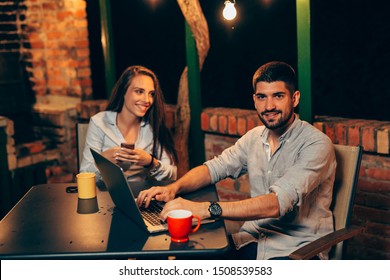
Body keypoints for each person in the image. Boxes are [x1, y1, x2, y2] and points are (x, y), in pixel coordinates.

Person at [137, 61, 336, 260]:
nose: (269, 106)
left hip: (297, 250)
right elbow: (213, 169)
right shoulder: (254, 137)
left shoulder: (316, 144)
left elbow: (276, 204)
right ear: (254, 100)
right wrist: (174, 188)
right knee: (187, 257)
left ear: (295, 98)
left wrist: (206, 209)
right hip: (253, 239)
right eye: (262, 97)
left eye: (278, 96)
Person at [80, 65, 178, 184]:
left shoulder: (153, 125)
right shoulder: (99, 122)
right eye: (139, 91)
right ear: (123, 92)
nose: (147, 100)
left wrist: (151, 162)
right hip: (105, 198)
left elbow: (173, 174)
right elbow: (84, 175)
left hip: (141, 198)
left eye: (151, 94)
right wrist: (104, 160)